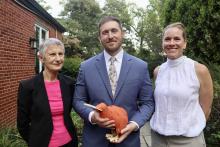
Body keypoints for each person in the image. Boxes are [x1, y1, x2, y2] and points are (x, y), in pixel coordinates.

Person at [73, 16, 154, 147]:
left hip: (128, 141)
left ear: (123, 34)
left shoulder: (140, 66)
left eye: (114, 30)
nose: (110, 36)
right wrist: (93, 116)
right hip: (95, 141)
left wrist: (133, 124)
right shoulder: (86, 67)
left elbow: (148, 103)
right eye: (105, 32)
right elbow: (78, 100)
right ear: (100, 38)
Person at [150, 22, 213, 147]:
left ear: (185, 43)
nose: (171, 43)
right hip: (158, 139)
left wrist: (190, 127)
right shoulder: (158, 71)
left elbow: (206, 109)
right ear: (163, 44)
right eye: (167, 39)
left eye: (177, 39)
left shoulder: (199, 70)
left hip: (188, 141)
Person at [17, 38, 78, 147]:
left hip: (69, 142)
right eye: (52, 54)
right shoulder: (27, 86)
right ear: (41, 58)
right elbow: (22, 124)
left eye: (61, 54)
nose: (58, 58)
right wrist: (34, 140)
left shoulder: (70, 84)